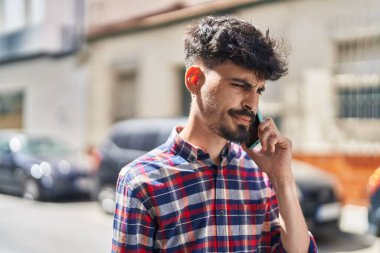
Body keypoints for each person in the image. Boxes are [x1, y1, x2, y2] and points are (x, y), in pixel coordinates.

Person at [112, 15, 317, 252]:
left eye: (259, 90)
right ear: (195, 80)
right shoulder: (141, 181)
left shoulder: (261, 176)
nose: (253, 103)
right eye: (240, 85)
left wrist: (283, 180)